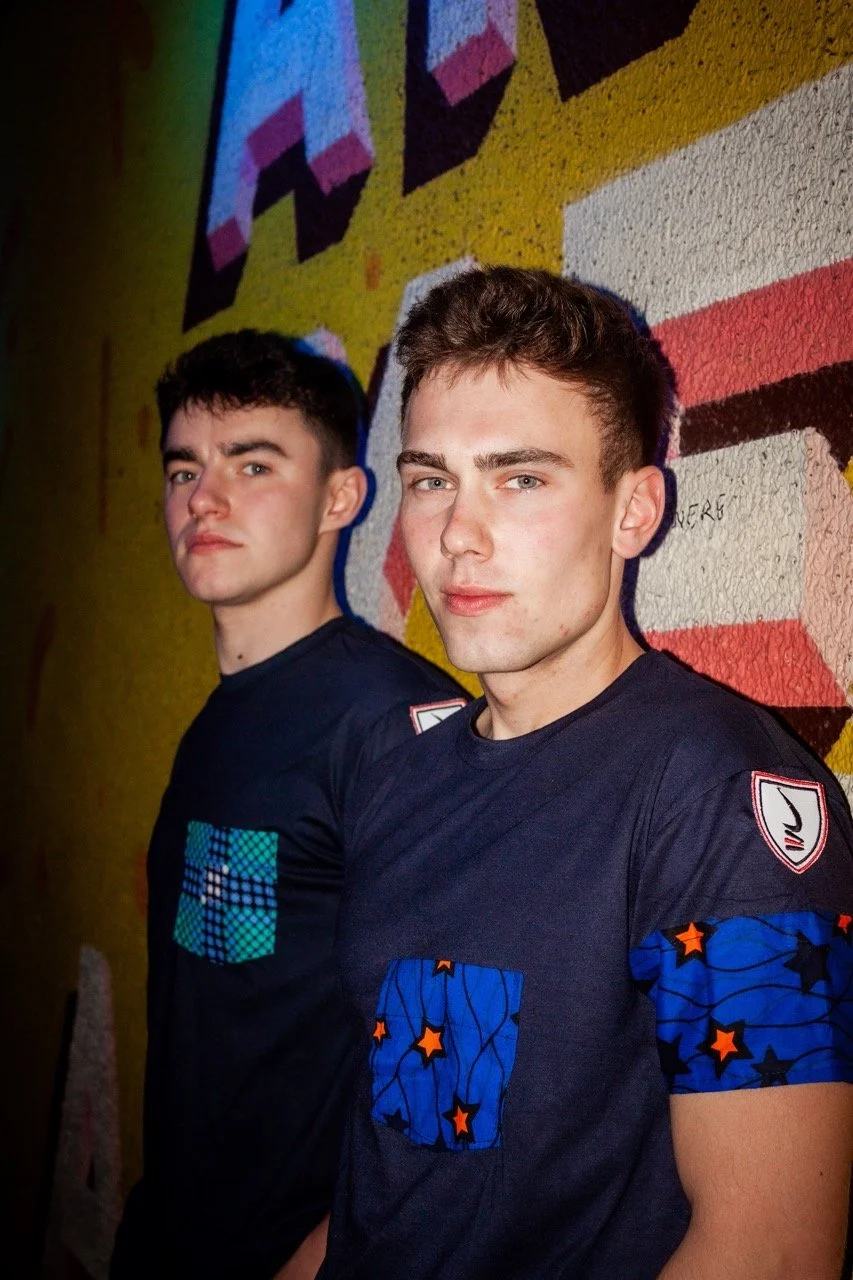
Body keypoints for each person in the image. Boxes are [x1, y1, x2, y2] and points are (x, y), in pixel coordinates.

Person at [321, 267, 853, 1279]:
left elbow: (772, 1249)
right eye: (432, 478)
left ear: (633, 510)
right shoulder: (399, 772)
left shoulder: (720, 796)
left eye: (520, 477)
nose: (454, 534)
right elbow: (396, 1164)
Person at [111, 331, 466, 1280]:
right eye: (184, 469)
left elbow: (448, 1071)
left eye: (252, 463)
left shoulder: (395, 727)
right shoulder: (219, 721)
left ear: (339, 497)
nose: (204, 499)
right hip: (175, 1234)